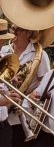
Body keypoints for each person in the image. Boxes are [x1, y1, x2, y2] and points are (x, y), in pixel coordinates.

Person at [0, 24, 50, 147]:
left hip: (23, 113)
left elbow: (47, 82)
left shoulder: (40, 54)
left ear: (29, 33)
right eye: (12, 29)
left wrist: (30, 96)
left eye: (18, 30)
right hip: (4, 112)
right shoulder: (3, 50)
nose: (13, 33)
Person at [0, 19, 21, 147]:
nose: (2, 44)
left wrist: (9, 81)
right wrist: (3, 101)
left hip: (3, 124)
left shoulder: (2, 56)